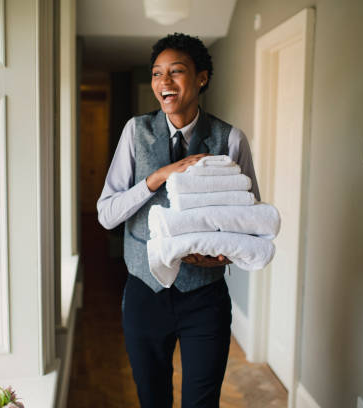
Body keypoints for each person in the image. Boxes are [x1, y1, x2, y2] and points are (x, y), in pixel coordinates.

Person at [96, 33, 261, 408]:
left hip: (205, 298)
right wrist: (156, 178)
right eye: (157, 73)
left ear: (202, 77)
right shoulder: (135, 132)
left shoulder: (230, 139)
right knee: (152, 399)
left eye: (176, 71)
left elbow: (249, 221)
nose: (163, 82)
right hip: (144, 294)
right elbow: (107, 214)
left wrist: (224, 255)